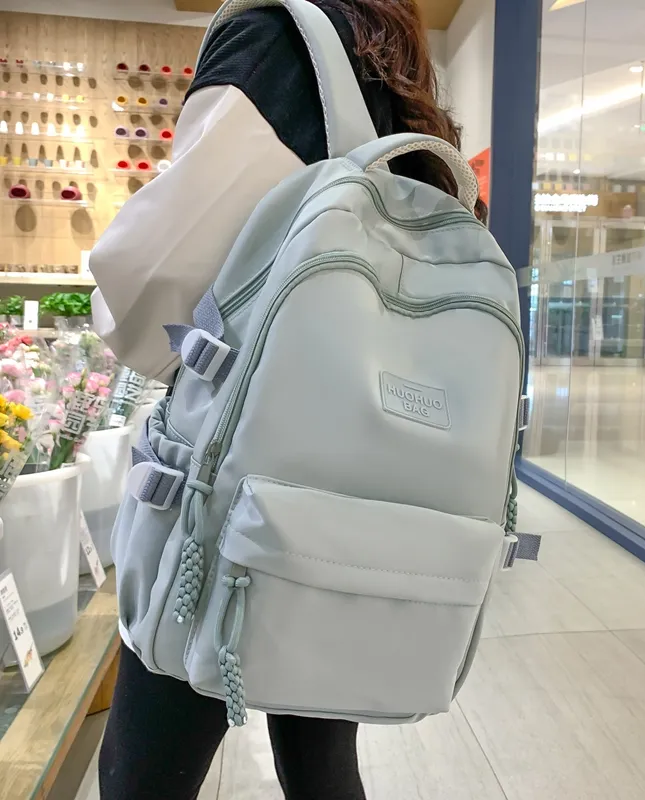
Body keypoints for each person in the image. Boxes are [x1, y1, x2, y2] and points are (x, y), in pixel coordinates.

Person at [91, 1, 486, 798]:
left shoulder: (275, 38)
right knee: (319, 760)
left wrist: (126, 330)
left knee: (143, 776)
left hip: (242, 480)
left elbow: (156, 272)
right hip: (360, 493)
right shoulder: (397, 74)